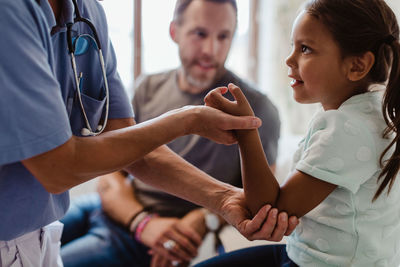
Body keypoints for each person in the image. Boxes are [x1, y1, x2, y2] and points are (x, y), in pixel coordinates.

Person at [0, 0, 297, 266]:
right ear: (174, 32)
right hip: (100, 212)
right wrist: (186, 120)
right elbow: (70, 167)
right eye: (199, 34)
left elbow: (135, 150)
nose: (210, 50)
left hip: (94, 228)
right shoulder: (148, 87)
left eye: (224, 36)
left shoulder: (89, 14)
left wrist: (218, 204)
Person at [197, 0, 400, 266]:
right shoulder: (372, 110)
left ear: (357, 66)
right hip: (302, 253)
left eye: (305, 49)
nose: (289, 59)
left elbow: (269, 209)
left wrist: (245, 128)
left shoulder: (348, 128)